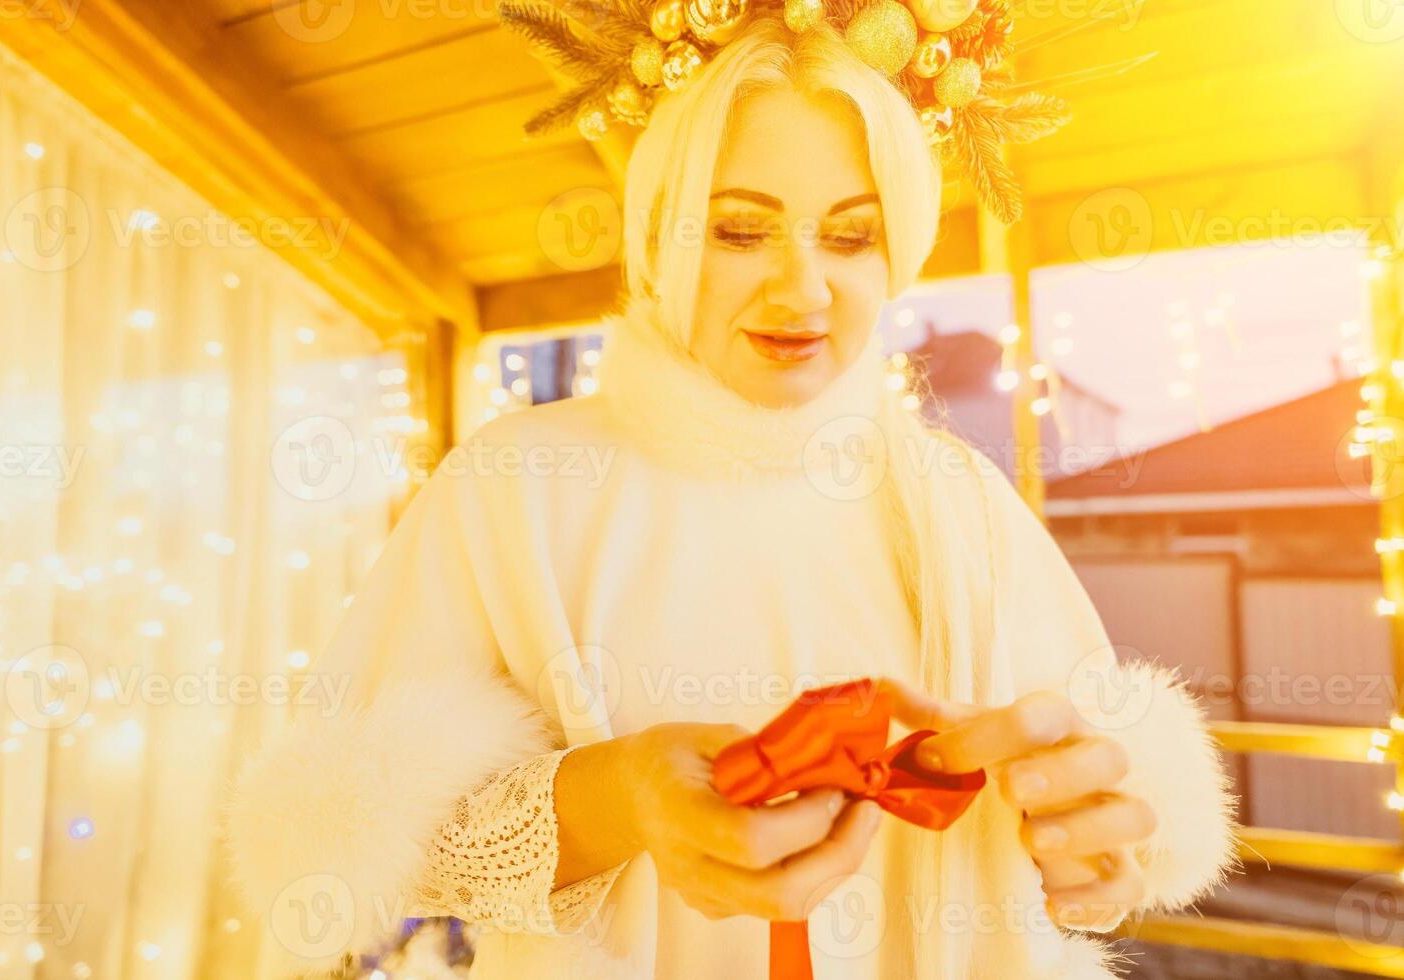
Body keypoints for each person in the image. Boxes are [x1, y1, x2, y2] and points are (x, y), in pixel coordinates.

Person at [223, 13, 1238, 979]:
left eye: (849, 237)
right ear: (662, 239)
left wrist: (1085, 848)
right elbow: (341, 839)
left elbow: (1101, 836)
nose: (802, 292)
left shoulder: (961, 504)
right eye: (741, 231)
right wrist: (616, 798)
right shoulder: (517, 484)